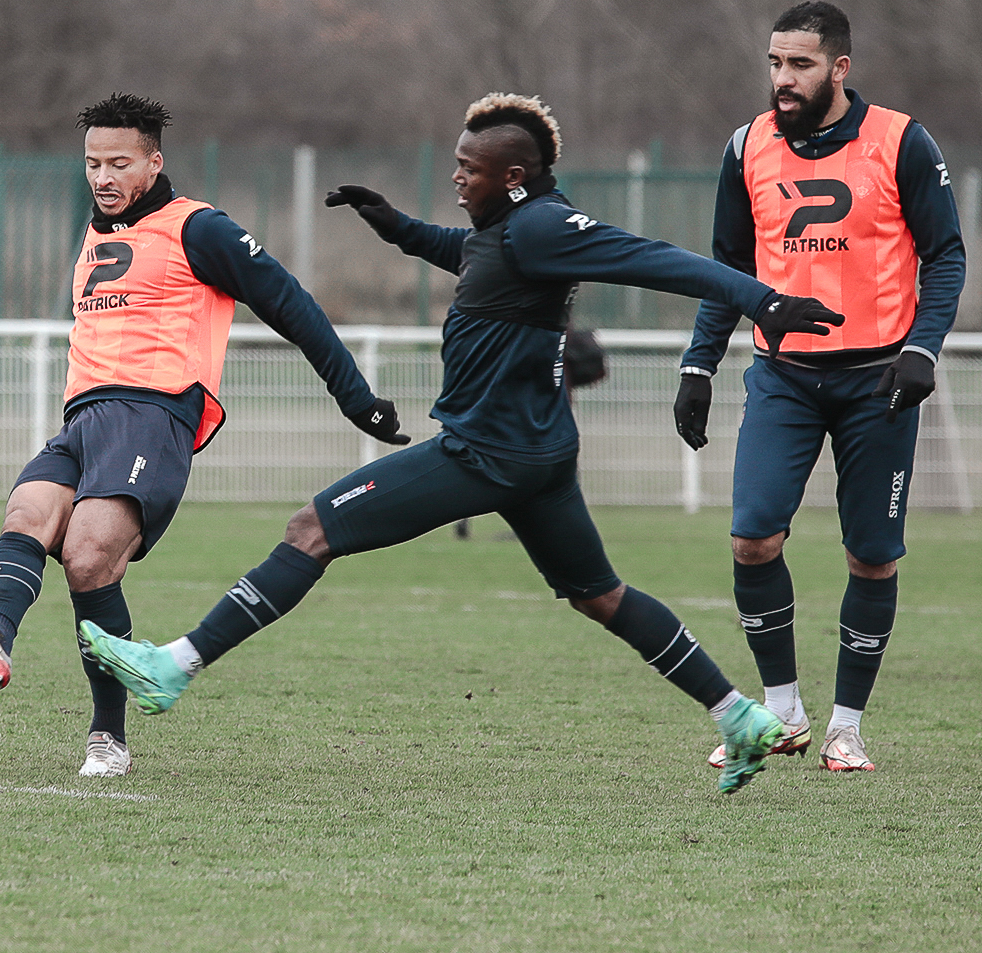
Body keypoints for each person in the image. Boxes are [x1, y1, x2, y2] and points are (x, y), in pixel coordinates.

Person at [81, 91, 847, 795]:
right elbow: (468, 251)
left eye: (468, 168)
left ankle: (174, 666)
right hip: (538, 456)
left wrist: (763, 300)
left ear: (513, 177)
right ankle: (739, 715)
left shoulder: (544, 226)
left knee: (311, 529)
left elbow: (653, 259)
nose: (455, 177)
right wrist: (396, 227)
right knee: (601, 595)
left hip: (487, 453)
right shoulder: (508, 230)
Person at [0, 93, 407, 777]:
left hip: (153, 415)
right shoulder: (97, 232)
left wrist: (357, 399)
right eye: (92, 163)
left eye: (119, 163)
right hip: (84, 418)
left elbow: (290, 304)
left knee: (88, 557)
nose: (103, 177)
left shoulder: (199, 229)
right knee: (26, 514)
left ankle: (107, 738)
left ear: (153, 163)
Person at [673, 1, 966, 775]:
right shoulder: (746, 146)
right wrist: (699, 365)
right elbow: (727, 267)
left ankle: (846, 728)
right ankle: (783, 712)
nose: (783, 77)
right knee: (752, 537)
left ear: (839, 68)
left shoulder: (900, 141)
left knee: (872, 556)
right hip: (784, 377)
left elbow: (946, 256)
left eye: (800, 64)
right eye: (775, 62)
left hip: (879, 383)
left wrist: (922, 350)